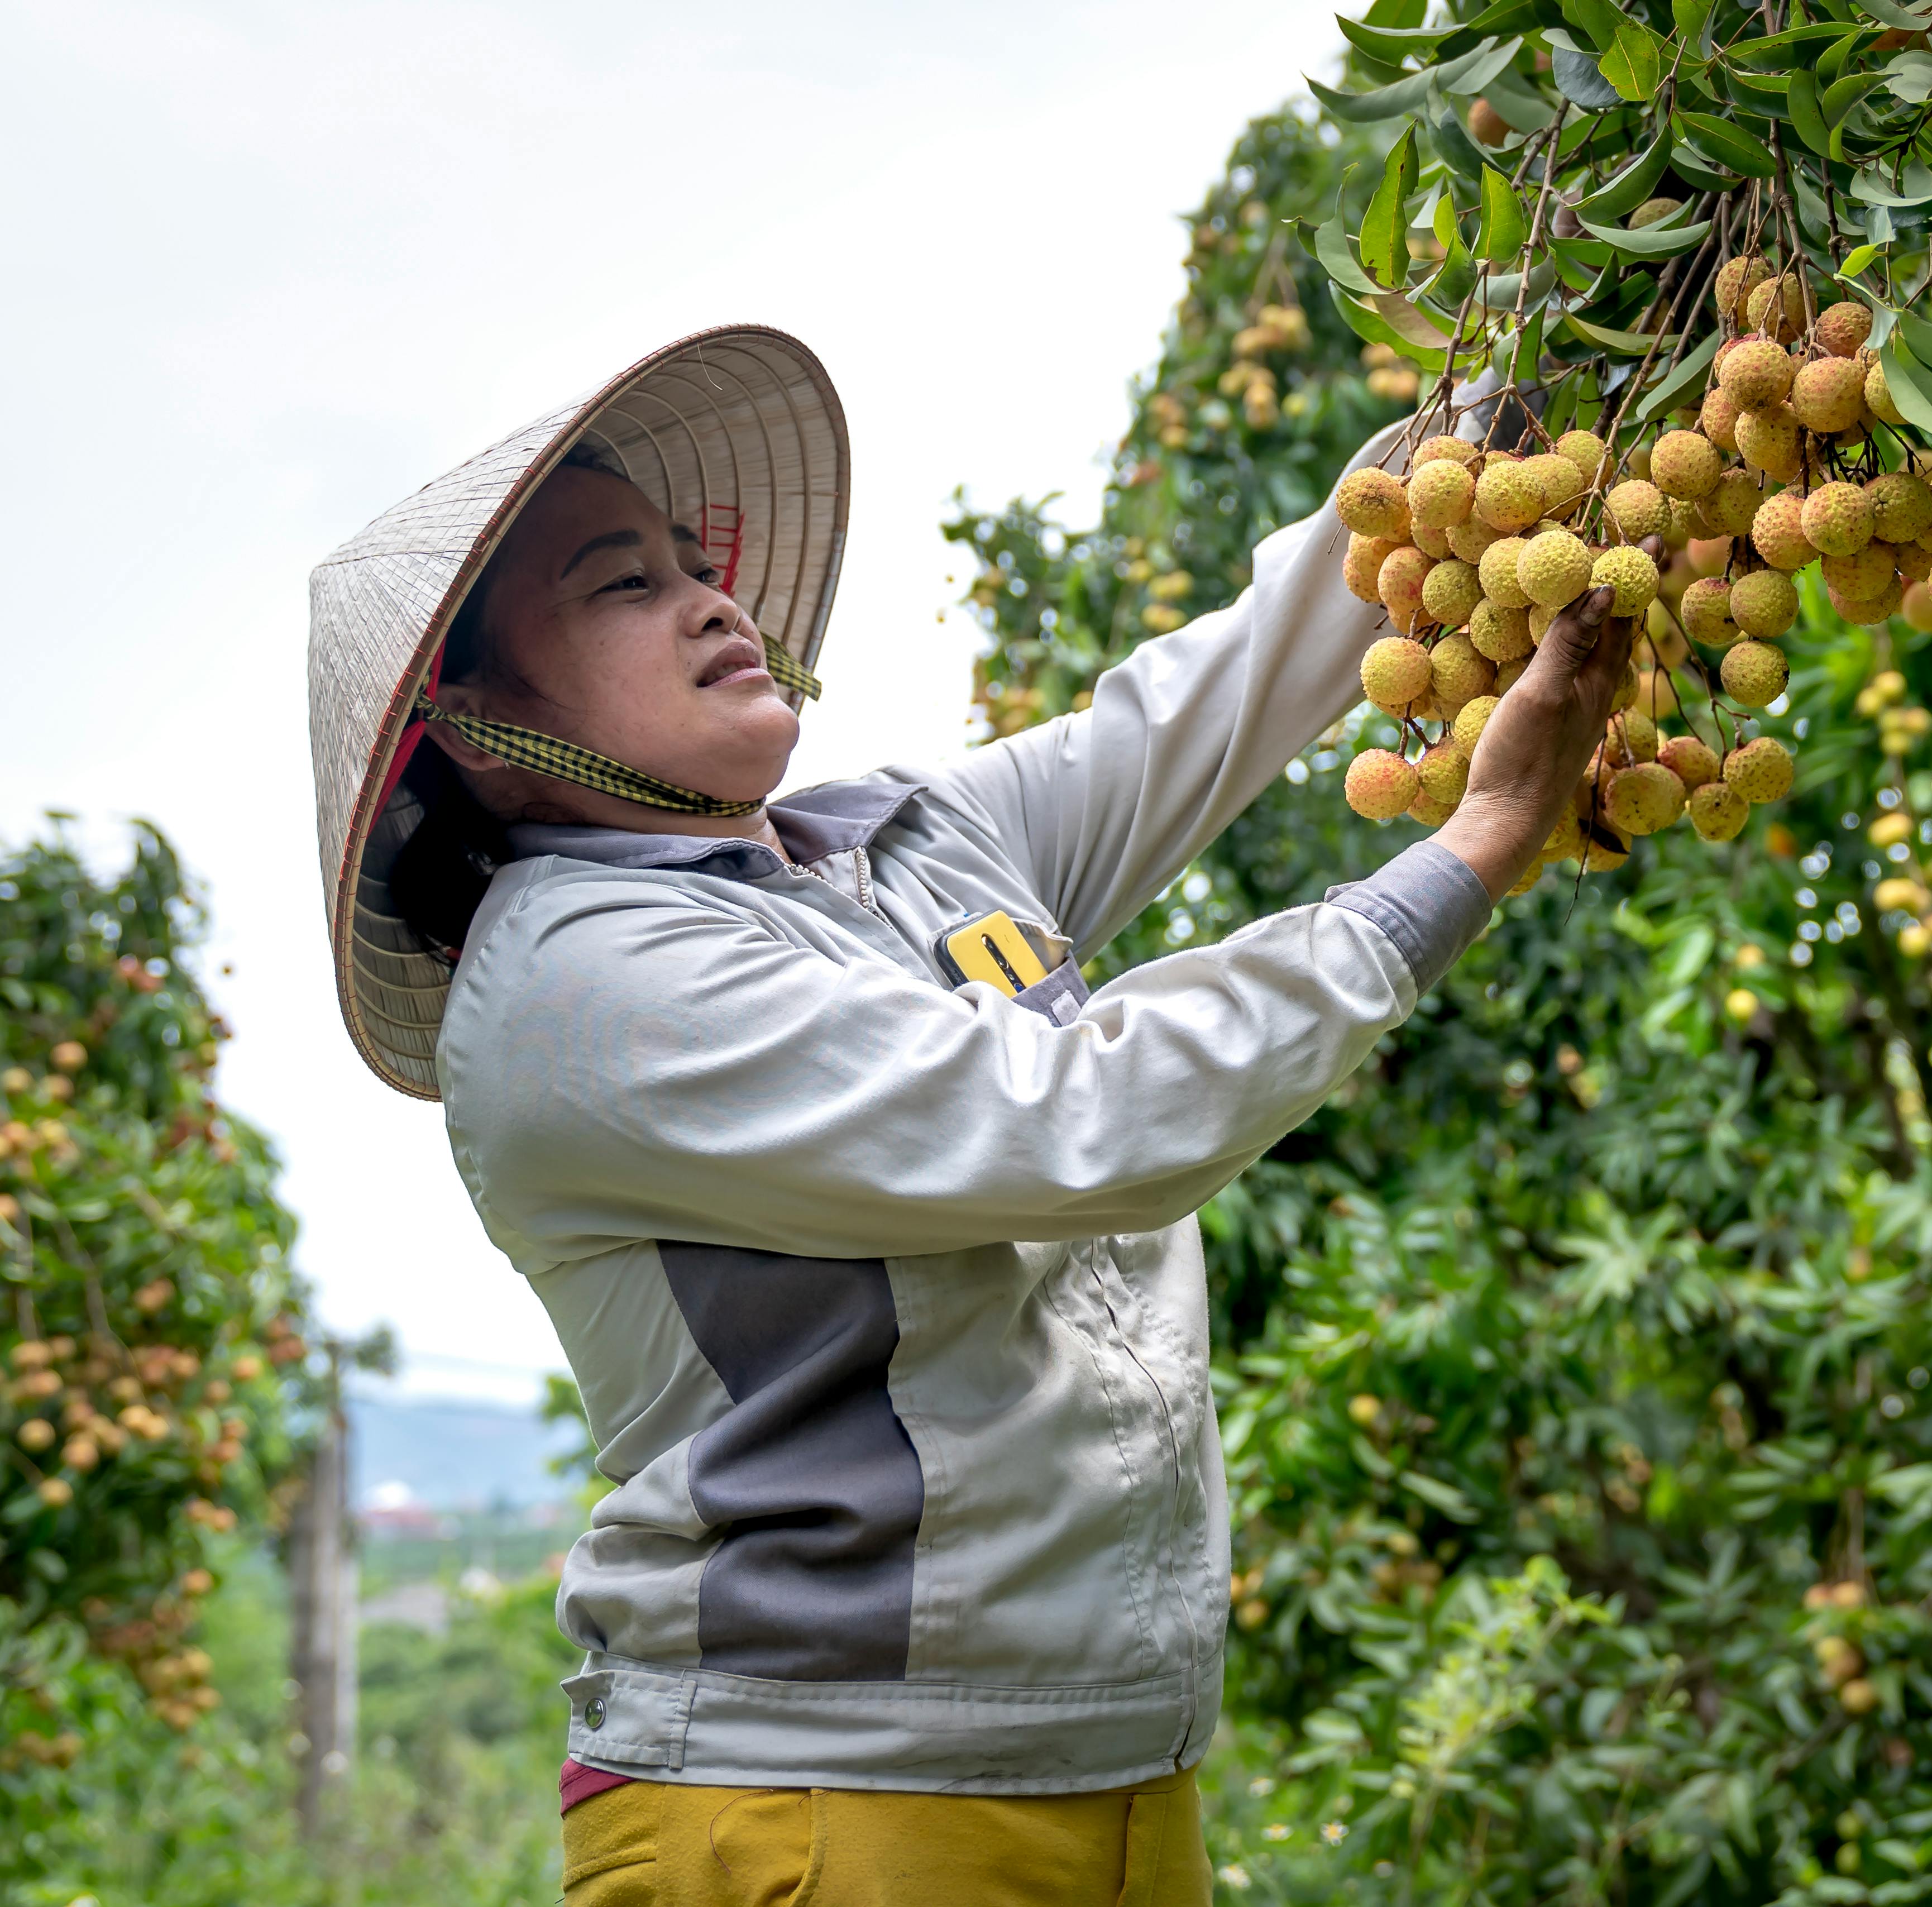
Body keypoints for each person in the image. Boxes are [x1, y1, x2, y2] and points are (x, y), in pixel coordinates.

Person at [304, 326, 1638, 1904]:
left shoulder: (900, 852)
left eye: (693, 566)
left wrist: (1523, 385)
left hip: (1107, 1766)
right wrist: (1475, 844)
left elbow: (1218, 692)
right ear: (473, 725)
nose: (711, 602)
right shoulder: (583, 984)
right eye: (625, 586)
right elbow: (1082, 1125)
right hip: (814, 1800)